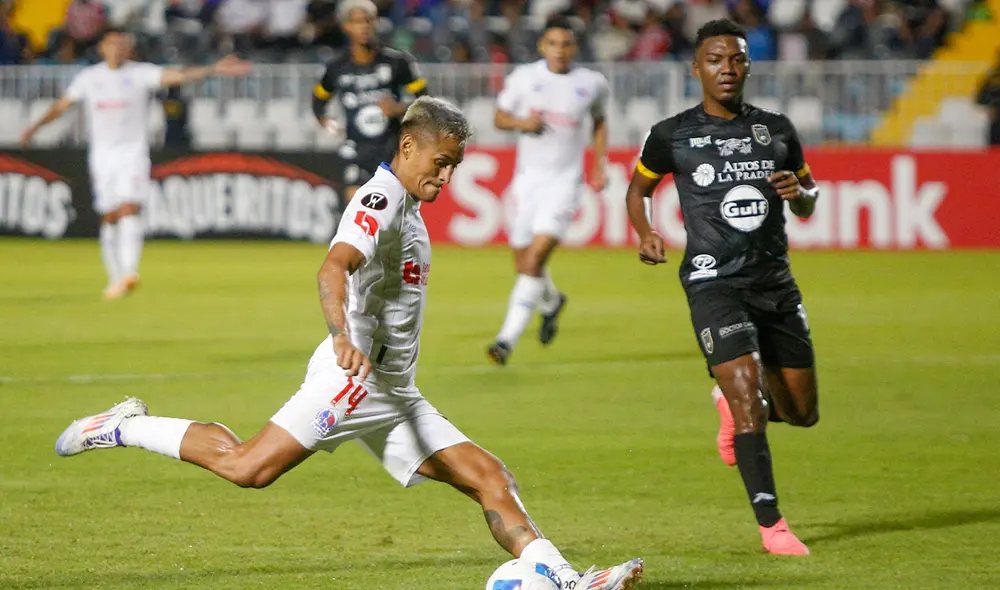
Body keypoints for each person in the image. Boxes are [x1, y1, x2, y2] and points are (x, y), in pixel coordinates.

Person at [54, 97, 644, 590]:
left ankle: (559, 576)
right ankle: (121, 426)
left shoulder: (409, 201)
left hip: (394, 388)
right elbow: (332, 268)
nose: (446, 176)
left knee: (490, 476)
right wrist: (342, 337)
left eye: (455, 167)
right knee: (247, 467)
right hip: (353, 380)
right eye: (440, 162)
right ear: (407, 148)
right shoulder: (380, 198)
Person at [624, 19, 819, 556]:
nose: (726, 69)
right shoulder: (672, 133)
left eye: (735, 59)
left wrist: (798, 193)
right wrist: (645, 232)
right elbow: (637, 190)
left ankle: (730, 405)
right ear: (696, 68)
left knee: (802, 412)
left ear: (748, 65)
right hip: (713, 281)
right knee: (750, 395)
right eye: (715, 60)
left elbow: (808, 198)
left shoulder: (778, 129)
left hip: (774, 281)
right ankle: (773, 526)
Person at [20, 29, 250, 300]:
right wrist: (34, 128)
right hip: (102, 156)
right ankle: (115, 277)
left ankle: (130, 271)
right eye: (112, 44)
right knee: (109, 215)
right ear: (102, 48)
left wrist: (213, 69)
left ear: (129, 49)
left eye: (122, 45)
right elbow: (62, 106)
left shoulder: (140, 73)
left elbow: (177, 76)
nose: (117, 49)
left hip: (132, 153)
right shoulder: (89, 78)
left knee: (130, 207)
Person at [486, 16, 610, 366]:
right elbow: (499, 117)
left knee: (536, 259)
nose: (560, 51)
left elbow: (600, 121)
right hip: (527, 182)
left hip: (565, 183)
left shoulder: (591, 83)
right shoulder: (524, 78)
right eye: (553, 44)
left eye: (566, 44)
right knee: (524, 262)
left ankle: (505, 340)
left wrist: (599, 164)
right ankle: (552, 301)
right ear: (542, 46)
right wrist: (521, 123)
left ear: (575, 47)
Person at [312, 0, 428, 203]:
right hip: (356, 150)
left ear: (375, 23)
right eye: (357, 22)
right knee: (355, 207)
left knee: (389, 217)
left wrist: (400, 108)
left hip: (392, 150)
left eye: (368, 21)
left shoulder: (396, 62)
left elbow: (426, 102)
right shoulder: (336, 68)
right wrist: (329, 124)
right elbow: (318, 102)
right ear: (346, 26)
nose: (364, 26)